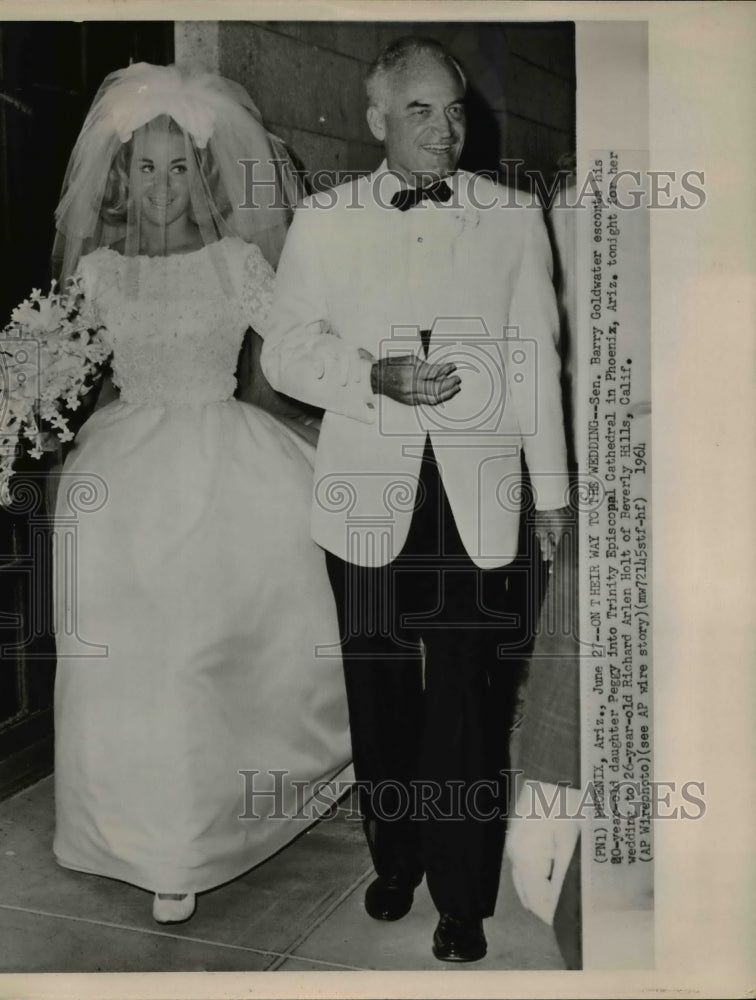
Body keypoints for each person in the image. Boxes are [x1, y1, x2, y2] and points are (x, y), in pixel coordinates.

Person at [262, 37, 570, 962]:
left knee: (468, 704)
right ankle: (395, 859)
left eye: (457, 111)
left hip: (480, 495)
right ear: (376, 119)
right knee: (382, 691)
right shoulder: (325, 219)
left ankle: (465, 894)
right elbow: (282, 353)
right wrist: (371, 377)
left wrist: (550, 495)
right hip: (364, 494)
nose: (446, 131)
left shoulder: (514, 215)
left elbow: (535, 366)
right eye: (422, 111)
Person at [50, 62, 350, 925]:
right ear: (120, 176)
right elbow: (76, 375)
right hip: (123, 470)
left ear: (204, 173)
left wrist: (359, 393)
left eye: (179, 167)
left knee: (196, 658)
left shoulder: (234, 262)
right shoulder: (100, 272)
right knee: (119, 660)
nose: (162, 186)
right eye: (145, 167)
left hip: (222, 464)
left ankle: (185, 847)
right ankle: (119, 828)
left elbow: (299, 342)